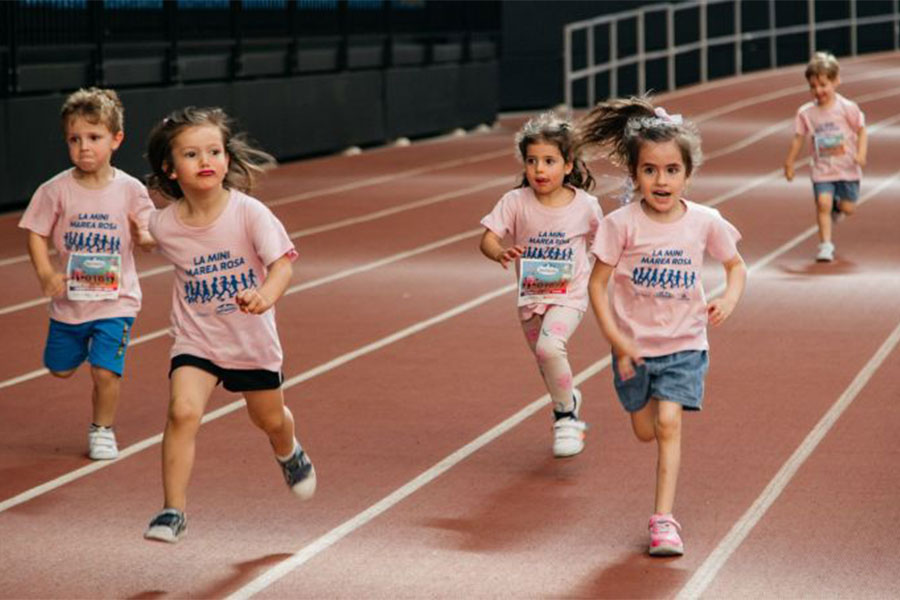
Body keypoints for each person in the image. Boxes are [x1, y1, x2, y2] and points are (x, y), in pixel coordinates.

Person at [138, 107, 315, 543]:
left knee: (270, 420)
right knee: (182, 412)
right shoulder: (164, 224)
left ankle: (288, 452)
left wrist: (264, 296)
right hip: (196, 340)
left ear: (227, 159)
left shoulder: (249, 213)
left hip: (250, 341)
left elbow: (282, 267)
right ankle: (172, 510)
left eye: (214, 151)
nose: (206, 161)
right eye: (192, 154)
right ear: (170, 168)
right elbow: (145, 235)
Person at [582, 97, 747, 556]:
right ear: (635, 175)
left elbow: (736, 266)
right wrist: (615, 339)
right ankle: (645, 410)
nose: (661, 180)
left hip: (686, 344)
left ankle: (663, 521)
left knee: (670, 423)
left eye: (672, 170)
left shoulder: (705, 221)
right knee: (644, 429)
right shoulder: (620, 225)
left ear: (687, 175)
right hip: (633, 349)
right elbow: (597, 285)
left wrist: (729, 297)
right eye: (650, 170)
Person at [18, 87, 154, 461]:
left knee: (105, 372)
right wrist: (46, 272)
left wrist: (144, 236)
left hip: (117, 301)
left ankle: (102, 430)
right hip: (70, 302)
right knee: (59, 369)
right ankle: (76, 351)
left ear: (116, 139)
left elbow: (149, 238)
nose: (84, 148)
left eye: (94, 138)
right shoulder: (55, 190)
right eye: (74, 140)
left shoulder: (130, 190)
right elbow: (35, 232)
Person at [479, 112, 602, 458]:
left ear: (568, 165)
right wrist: (500, 252)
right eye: (532, 161)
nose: (539, 170)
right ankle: (568, 396)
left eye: (549, 161)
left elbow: (603, 242)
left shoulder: (586, 206)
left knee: (550, 348)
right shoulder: (515, 202)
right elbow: (487, 239)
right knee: (544, 359)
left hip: (570, 295)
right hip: (531, 296)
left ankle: (566, 417)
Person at [783, 51, 867, 262]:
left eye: (823, 85)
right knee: (822, 204)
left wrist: (861, 153)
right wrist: (789, 162)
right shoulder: (806, 113)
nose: (818, 91)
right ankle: (825, 246)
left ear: (836, 81)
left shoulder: (847, 108)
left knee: (849, 208)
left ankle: (838, 208)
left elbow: (862, 130)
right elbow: (798, 137)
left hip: (847, 168)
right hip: (822, 170)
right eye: (813, 86)